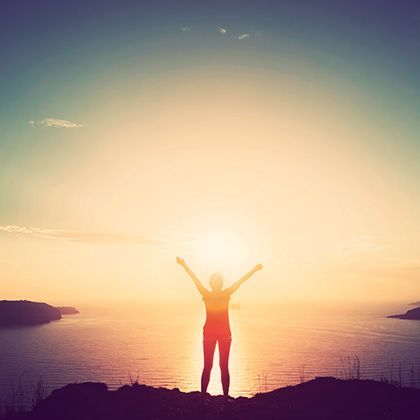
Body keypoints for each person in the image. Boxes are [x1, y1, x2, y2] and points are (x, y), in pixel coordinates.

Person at [176, 257, 263, 397]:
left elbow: (195, 279)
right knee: (217, 367)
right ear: (218, 283)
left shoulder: (210, 294)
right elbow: (241, 281)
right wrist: (184, 265)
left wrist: (184, 264)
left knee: (213, 367)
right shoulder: (224, 293)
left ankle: (208, 397)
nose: (218, 284)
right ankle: (220, 397)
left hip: (217, 335)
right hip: (219, 335)